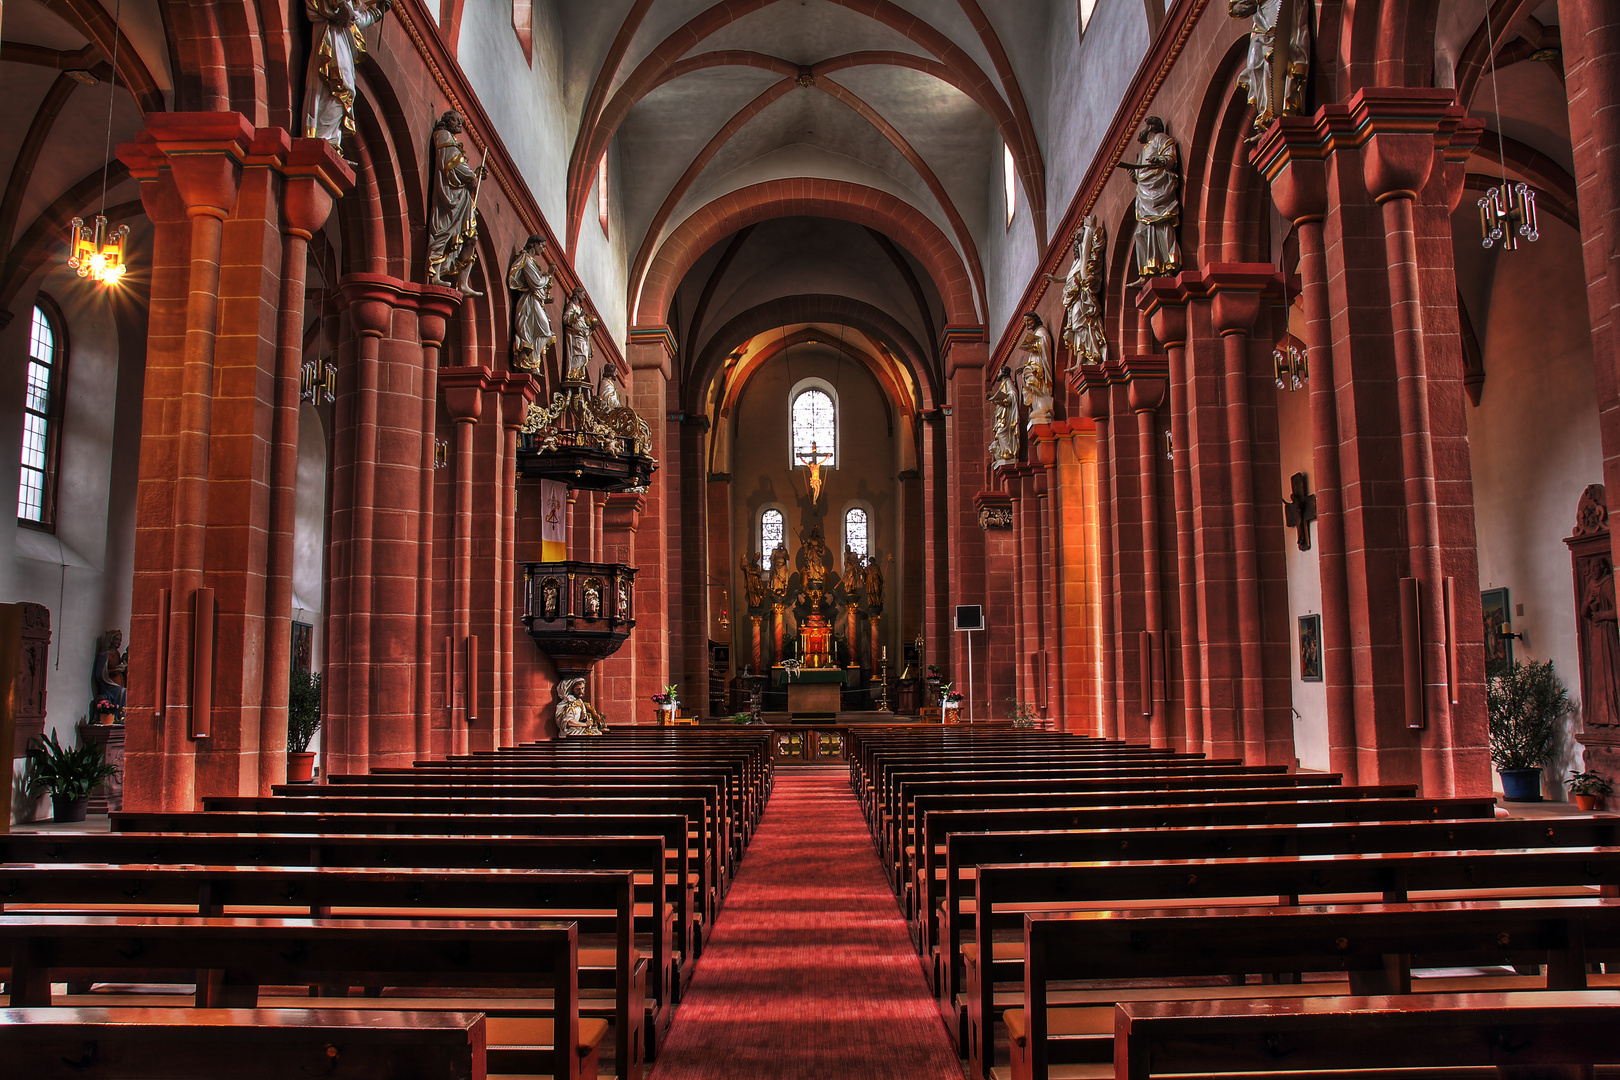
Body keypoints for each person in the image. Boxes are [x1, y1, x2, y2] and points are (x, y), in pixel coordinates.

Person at [302, 0, 392, 153]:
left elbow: (354, 21)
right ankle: (322, 137)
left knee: (346, 91)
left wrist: (375, 12)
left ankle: (332, 141)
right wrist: (340, 5)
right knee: (338, 86)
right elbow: (323, 7)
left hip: (343, 41)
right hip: (332, 39)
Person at [1115, 116, 1181, 283]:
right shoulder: (1144, 150)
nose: (1141, 131)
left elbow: (1170, 157)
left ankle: (1169, 264)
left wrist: (1161, 160)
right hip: (1145, 194)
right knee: (1140, 233)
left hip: (1158, 191)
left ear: (1151, 127)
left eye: (1144, 126)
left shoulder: (1161, 138)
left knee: (1162, 226)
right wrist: (1134, 177)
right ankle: (1147, 271)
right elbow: (1141, 174)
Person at [426, 110, 485, 294]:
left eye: (461, 121)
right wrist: (472, 176)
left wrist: (474, 176)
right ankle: (434, 276)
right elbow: (453, 163)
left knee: (471, 239)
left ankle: (463, 283)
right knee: (443, 233)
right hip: (450, 198)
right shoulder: (443, 135)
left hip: (462, 199)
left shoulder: (451, 139)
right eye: (456, 120)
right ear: (447, 120)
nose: (460, 124)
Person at [1230, 0, 1310, 132]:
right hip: (1261, 14)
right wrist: (1237, 8)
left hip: (1279, 5)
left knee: (1279, 52)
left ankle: (1282, 109)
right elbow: (1235, 6)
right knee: (1254, 65)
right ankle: (1266, 113)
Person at [1045, 215, 1108, 370]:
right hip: (1073, 299)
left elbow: (1096, 247)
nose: (1076, 241)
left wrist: (1091, 229)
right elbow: (1070, 276)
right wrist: (1056, 279)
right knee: (1077, 329)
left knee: (1082, 326)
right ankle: (1080, 361)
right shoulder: (1076, 262)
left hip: (1082, 298)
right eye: (1076, 238)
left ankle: (1091, 356)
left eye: (1079, 236)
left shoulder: (1086, 259)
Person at [507, 234, 554, 372]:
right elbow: (536, 283)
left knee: (545, 332)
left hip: (536, 300)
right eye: (542, 246)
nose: (543, 250)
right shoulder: (526, 260)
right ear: (534, 244)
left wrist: (545, 299)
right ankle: (530, 359)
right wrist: (547, 276)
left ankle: (532, 360)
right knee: (544, 331)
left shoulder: (531, 261)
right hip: (529, 301)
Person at [1018, 312, 1054, 429]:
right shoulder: (1035, 333)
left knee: (1036, 382)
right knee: (1031, 383)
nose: (1027, 324)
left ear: (1035, 319)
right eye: (1025, 322)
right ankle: (1038, 406)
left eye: (1029, 320)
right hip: (1035, 361)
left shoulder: (1041, 331)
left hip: (1040, 363)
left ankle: (1043, 406)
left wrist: (1036, 345)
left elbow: (1044, 343)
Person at [562, 287, 597, 382]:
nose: (584, 297)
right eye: (583, 294)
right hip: (576, 336)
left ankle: (577, 375)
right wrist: (579, 315)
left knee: (584, 355)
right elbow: (566, 318)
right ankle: (572, 374)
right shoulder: (571, 305)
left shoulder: (579, 308)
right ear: (577, 293)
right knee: (581, 355)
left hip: (582, 336)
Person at [92, 629, 127, 721]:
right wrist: (115, 670)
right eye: (117, 639)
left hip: (117, 682)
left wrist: (123, 667)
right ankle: (118, 717)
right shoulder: (105, 654)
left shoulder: (117, 653)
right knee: (124, 692)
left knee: (125, 692)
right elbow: (100, 673)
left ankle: (120, 717)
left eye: (120, 640)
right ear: (110, 640)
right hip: (108, 685)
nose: (119, 642)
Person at [988, 365, 1020, 465]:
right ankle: (1004, 452)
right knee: (1000, 432)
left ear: (1003, 373)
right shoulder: (1003, 383)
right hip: (1002, 414)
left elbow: (1013, 394)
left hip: (1007, 414)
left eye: (999, 372)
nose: (997, 374)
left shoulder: (1008, 382)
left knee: (1002, 432)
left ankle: (1008, 451)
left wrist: (1004, 400)